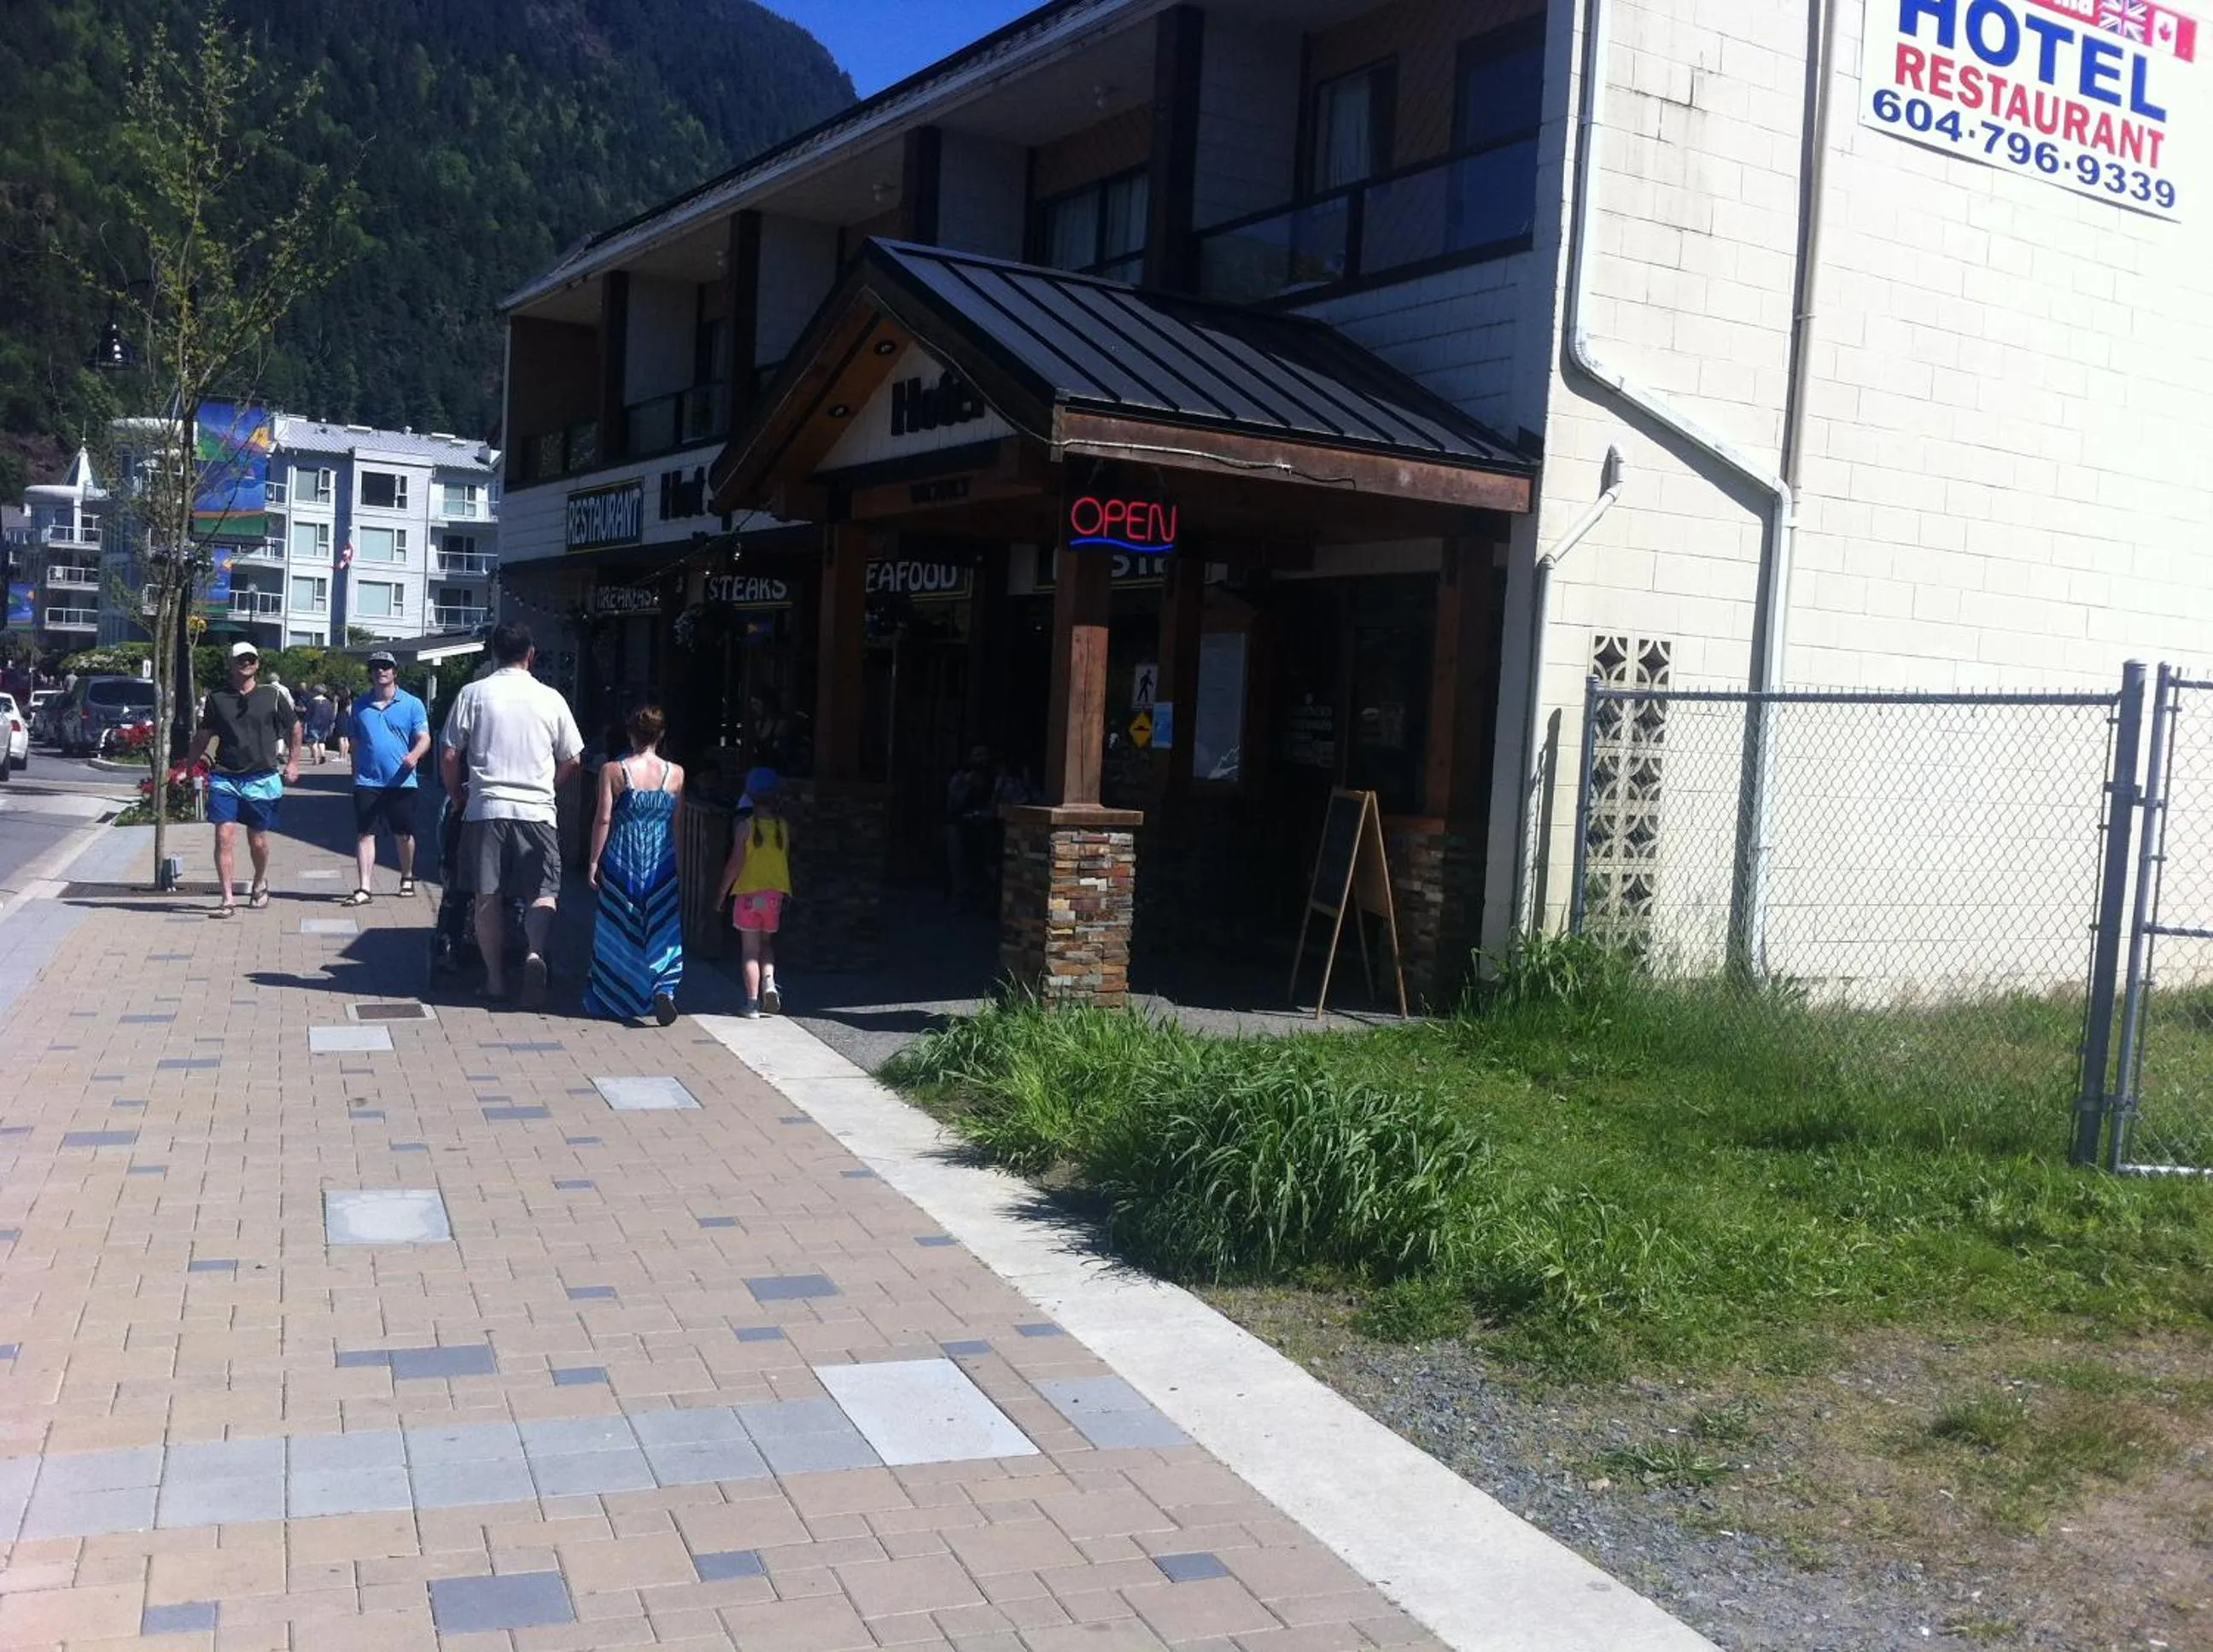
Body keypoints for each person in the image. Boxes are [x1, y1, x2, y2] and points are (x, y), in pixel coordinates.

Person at [438, 622, 582, 1006]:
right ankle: (534, 951)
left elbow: (450, 753)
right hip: (536, 809)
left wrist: (456, 795)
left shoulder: (474, 693)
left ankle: (496, 980)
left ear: (494, 653)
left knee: (488, 895)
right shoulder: (550, 697)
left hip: (486, 807)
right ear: (531, 654)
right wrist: (549, 786)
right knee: (543, 892)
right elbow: (573, 757)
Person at [584, 704, 686, 1025]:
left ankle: (615, 995)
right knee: (662, 925)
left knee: (619, 926)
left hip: (622, 859)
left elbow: (603, 818)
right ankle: (663, 987)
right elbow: (677, 826)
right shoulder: (677, 774)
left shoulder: (613, 771)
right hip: (661, 859)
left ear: (631, 733)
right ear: (661, 735)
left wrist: (593, 861)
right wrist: (678, 866)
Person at [184, 641, 300, 918]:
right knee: (224, 835)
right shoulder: (217, 699)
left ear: (257, 664)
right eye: (240, 659)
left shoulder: (272, 696)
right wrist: (188, 766)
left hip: (261, 777)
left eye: (251, 659)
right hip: (226, 776)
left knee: (257, 841)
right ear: (231, 664)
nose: (246, 663)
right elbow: (204, 735)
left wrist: (294, 763)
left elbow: (295, 727)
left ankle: (259, 881)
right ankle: (227, 900)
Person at [339, 651, 431, 906]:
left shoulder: (412, 704)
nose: (381, 671)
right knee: (364, 833)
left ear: (395, 672)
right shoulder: (360, 706)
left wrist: (414, 756)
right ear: (370, 673)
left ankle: (407, 875)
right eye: (376, 667)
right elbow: (355, 742)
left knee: (403, 834)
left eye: (386, 667)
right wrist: (355, 773)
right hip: (368, 782)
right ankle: (365, 888)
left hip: (401, 781)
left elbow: (424, 738)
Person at [720, 765, 791, 1019]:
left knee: (749, 952)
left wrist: (721, 895)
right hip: (775, 897)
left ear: (749, 793)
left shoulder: (744, 827)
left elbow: (734, 864)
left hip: (748, 896)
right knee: (766, 944)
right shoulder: (783, 827)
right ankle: (770, 983)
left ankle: (751, 1004)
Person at [304, 686, 336, 764]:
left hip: (313, 722)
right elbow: (331, 713)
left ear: (315, 692)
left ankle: (315, 759)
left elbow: (308, 713)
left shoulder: (312, 702)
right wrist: (331, 722)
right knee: (322, 741)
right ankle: (323, 755)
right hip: (325, 723)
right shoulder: (328, 702)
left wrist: (305, 721)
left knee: (313, 741)